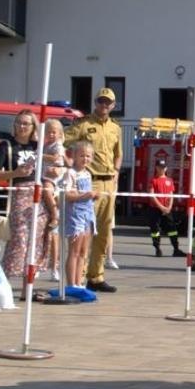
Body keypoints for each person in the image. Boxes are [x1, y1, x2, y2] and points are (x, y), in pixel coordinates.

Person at [65, 87, 122, 292]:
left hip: (109, 183)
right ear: (95, 102)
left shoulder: (116, 128)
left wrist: (116, 171)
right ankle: (77, 278)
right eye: (100, 101)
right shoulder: (84, 124)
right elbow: (63, 140)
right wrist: (70, 164)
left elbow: (118, 153)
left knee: (104, 231)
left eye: (108, 102)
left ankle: (96, 276)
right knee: (85, 228)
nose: (104, 105)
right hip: (90, 180)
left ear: (113, 105)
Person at [0, 109, 50, 292]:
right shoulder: (7, 145)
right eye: (19, 123)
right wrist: (15, 173)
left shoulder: (38, 146)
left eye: (26, 123)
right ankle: (1, 285)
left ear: (33, 127)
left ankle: (27, 289)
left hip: (39, 195)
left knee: (36, 242)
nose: (22, 127)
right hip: (19, 194)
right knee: (19, 240)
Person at [62, 141, 97, 286]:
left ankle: (79, 282)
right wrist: (84, 196)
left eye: (88, 156)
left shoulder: (88, 173)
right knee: (74, 251)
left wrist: (93, 196)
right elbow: (66, 195)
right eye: (82, 155)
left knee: (84, 252)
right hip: (75, 214)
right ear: (74, 156)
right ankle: (71, 285)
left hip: (88, 214)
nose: (85, 159)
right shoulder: (70, 173)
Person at [41, 117, 68, 282]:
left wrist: (41, 155)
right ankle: (43, 265)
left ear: (59, 134)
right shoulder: (45, 145)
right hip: (45, 178)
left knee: (47, 190)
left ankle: (54, 214)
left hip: (53, 181)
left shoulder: (57, 146)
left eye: (54, 132)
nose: (51, 135)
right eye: (48, 132)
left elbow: (57, 159)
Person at [148, 155, 184, 257]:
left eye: (163, 167)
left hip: (167, 210)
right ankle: (157, 248)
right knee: (155, 229)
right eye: (159, 167)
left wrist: (169, 207)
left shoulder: (170, 180)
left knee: (172, 229)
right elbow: (152, 195)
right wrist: (161, 207)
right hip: (155, 209)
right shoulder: (153, 180)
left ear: (166, 168)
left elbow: (171, 195)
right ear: (156, 168)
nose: (161, 169)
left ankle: (176, 249)